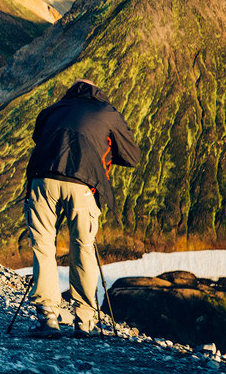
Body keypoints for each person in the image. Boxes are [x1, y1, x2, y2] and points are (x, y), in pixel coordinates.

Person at [23, 79, 140, 338]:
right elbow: (132, 157)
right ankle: (85, 321)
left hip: (43, 178)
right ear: (96, 92)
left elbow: (38, 138)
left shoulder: (52, 110)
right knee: (82, 247)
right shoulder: (107, 112)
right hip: (83, 183)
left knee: (43, 245)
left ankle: (47, 318)